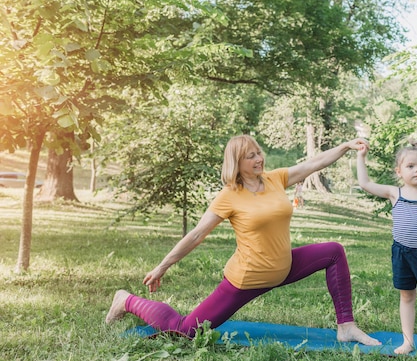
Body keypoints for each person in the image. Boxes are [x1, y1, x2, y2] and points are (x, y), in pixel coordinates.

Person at [106, 135, 381, 346]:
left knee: (333, 251)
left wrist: (345, 147)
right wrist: (162, 266)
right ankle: (127, 300)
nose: (259, 159)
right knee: (185, 332)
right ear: (236, 163)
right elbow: (197, 234)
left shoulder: (275, 179)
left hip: (283, 267)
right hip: (247, 279)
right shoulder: (229, 195)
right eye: (251, 156)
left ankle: (346, 326)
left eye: (258, 153)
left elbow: (313, 164)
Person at [356, 139, 417, 360]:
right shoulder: (394, 193)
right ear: (399, 171)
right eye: (410, 166)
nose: (416, 170)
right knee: (406, 296)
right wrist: (361, 157)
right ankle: (408, 342)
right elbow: (365, 183)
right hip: (401, 254)